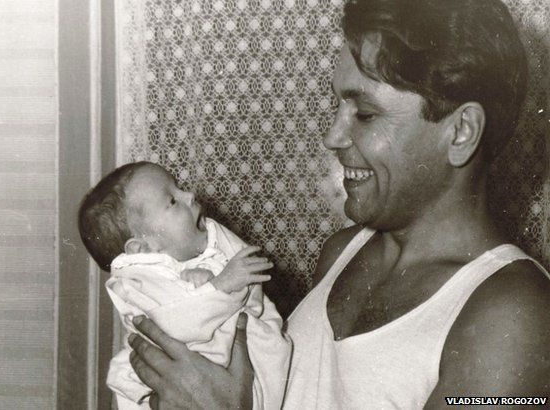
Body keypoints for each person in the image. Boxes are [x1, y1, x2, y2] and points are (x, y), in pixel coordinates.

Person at [126, 0, 550, 408]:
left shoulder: (515, 317)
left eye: (364, 114)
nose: (333, 136)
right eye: (338, 105)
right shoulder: (342, 253)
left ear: (460, 132)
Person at [78, 162, 291, 409]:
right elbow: (172, 324)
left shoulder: (204, 243)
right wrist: (220, 286)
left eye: (179, 187)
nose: (189, 195)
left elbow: (243, 266)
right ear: (143, 248)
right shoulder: (137, 281)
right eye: (172, 201)